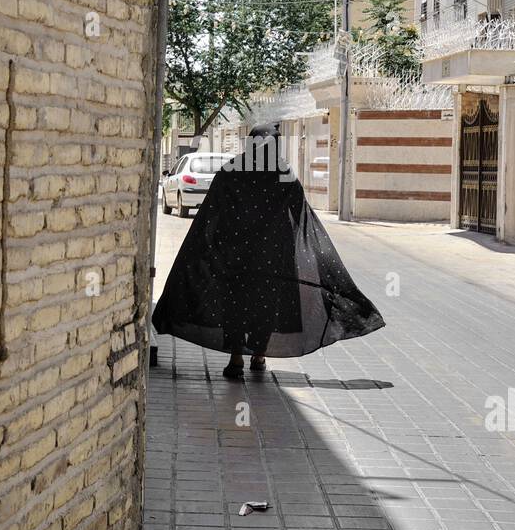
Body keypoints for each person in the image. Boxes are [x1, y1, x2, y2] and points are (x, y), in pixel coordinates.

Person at [153, 121, 385, 379]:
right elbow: (298, 214)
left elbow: (213, 211)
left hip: (236, 253)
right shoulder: (283, 172)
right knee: (264, 305)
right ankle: (259, 355)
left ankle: (236, 358)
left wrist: (211, 245)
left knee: (236, 303)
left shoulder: (232, 170)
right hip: (272, 256)